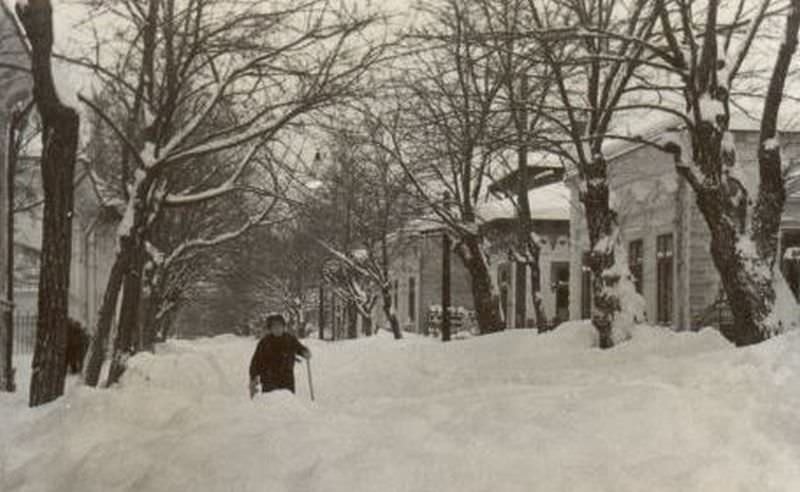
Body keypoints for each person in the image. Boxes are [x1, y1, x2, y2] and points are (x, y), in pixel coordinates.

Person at [249, 314, 311, 398]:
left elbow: (299, 348)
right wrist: (253, 377)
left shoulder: (289, 339)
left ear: (283, 327)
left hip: (287, 378)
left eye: (280, 326)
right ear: (270, 329)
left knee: (287, 403)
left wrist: (304, 352)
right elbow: (256, 361)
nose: (277, 329)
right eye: (274, 326)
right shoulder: (264, 342)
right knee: (271, 404)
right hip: (269, 379)